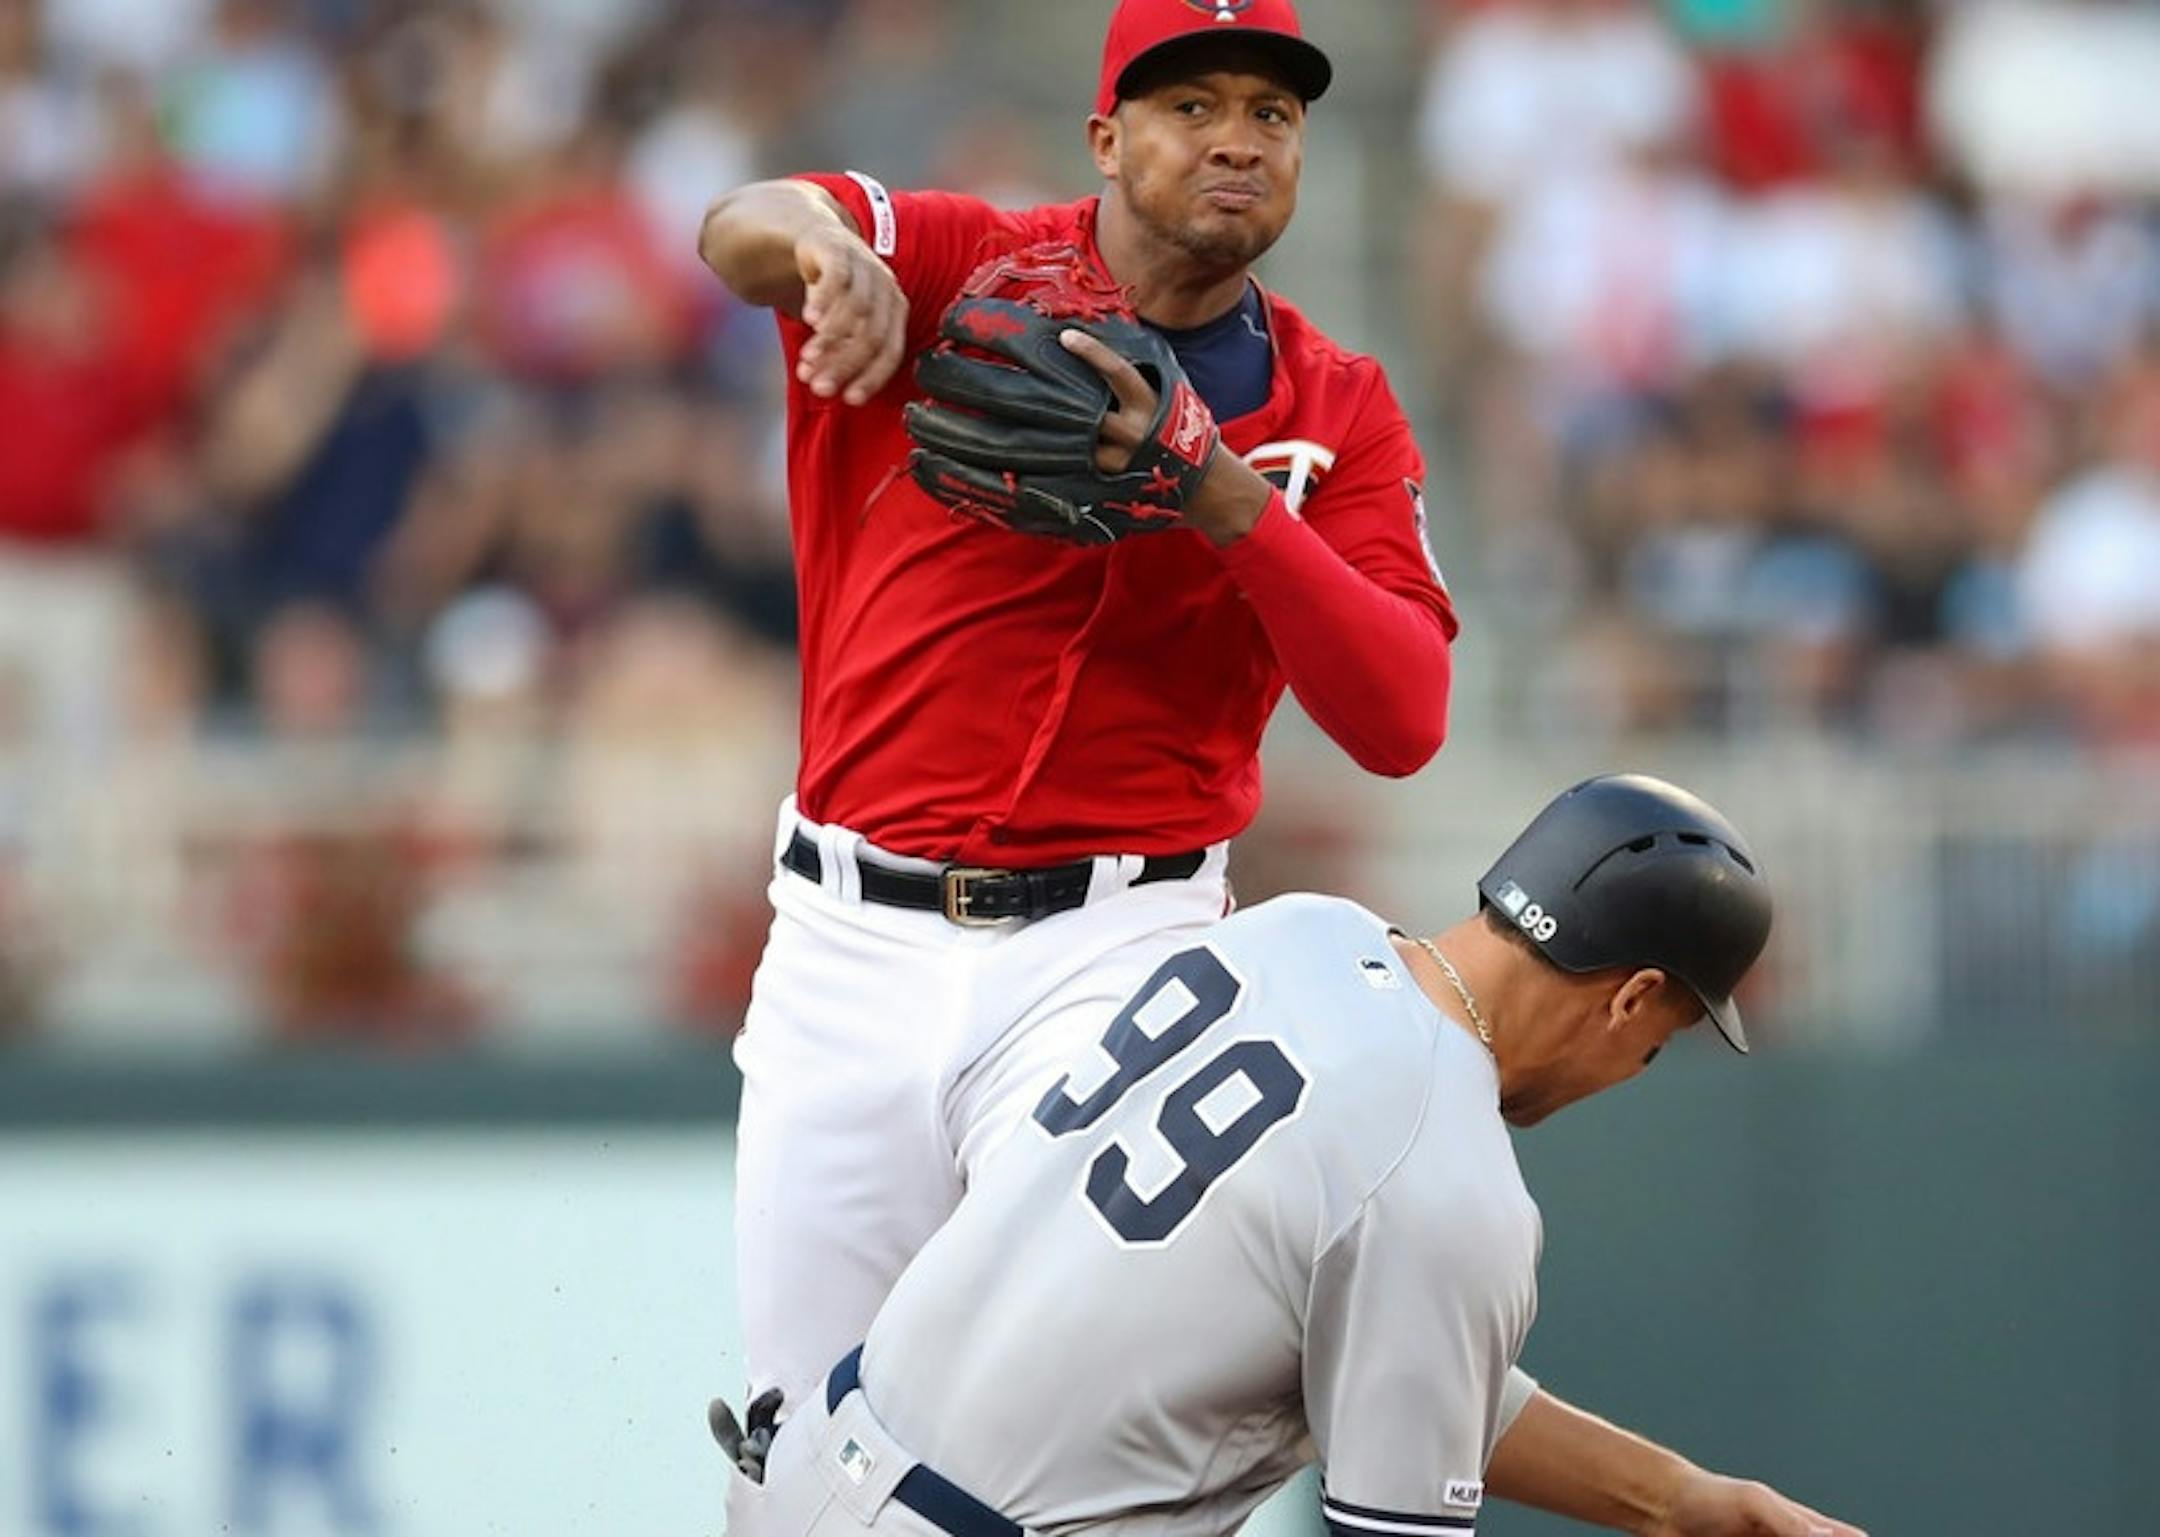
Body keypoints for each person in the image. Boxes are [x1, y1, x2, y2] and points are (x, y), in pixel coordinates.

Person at [697, 0, 1463, 1420]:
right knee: (802, 1451)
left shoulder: (1335, 412)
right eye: (1194, 107)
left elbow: (1405, 715)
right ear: (1107, 139)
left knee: (1030, 1422)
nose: (1238, 141)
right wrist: (827, 255)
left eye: (1272, 114)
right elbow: (747, 218)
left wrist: (1220, 489)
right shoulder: (957, 264)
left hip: (1118, 946)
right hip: (844, 945)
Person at [719, 774, 1869, 1537]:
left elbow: (1385, 1326)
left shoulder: (1298, 932)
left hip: (813, 1463)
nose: (1634, 1074)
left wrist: (1679, 1500)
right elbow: (1402, 1300)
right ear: (1632, 998)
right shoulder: (1452, 1184)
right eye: (1659, 1048)